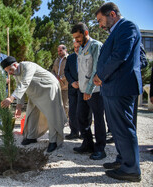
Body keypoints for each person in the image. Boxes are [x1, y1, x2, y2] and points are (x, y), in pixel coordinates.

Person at [94, 2, 142, 182]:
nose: (99, 24)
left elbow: (120, 55)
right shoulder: (116, 31)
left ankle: (131, 169)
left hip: (121, 86)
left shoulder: (127, 26)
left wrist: (100, 75)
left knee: (123, 128)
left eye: (100, 20)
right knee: (116, 128)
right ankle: (123, 161)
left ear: (112, 14)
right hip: (113, 86)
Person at [0, 56, 67, 153]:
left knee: (52, 115)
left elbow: (24, 83)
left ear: (15, 65)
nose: (9, 73)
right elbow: (20, 87)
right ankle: (31, 137)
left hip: (49, 88)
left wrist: (11, 98)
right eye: (7, 71)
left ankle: (54, 141)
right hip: (35, 92)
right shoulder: (16, 73)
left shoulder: (28, 66)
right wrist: (18, 106)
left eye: (10, 70)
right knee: (31, 113)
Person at [71, 23, 106, 160]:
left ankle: (100, 149)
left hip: (94, 91)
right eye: (74, 38)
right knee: (81, 117)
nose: (76, 41)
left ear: (86, 32)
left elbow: (96, 69)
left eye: (78, 37)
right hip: (82, 89)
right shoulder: (80, 49)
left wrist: (89, 89)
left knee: (98, 119)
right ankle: (87, 144)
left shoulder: (96, 46)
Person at [64, 41, 89, 140]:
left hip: (84, 88)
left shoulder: (87, 56)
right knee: (72, 111)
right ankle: (74, 132)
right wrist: (72, 82)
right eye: (75, 47)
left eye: (78, 47)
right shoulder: (70, 58)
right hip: (73, 88)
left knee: (84, 111)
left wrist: (82, 82)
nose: (77, 49)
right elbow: (66, 71)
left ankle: (84, 134)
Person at [51, 45, 69, 115]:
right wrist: (55, 77)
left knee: (65, 105)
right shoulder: (57, 60)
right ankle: (59, 120)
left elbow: (70, 72)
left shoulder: (69, 59)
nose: (59, 52)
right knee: (57, 104)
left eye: (61, 50)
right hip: (56, 86)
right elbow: (53, 70)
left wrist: (61, 78)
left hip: (65, 86)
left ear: (65, 50)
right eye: (58, 51)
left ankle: (66, 120)